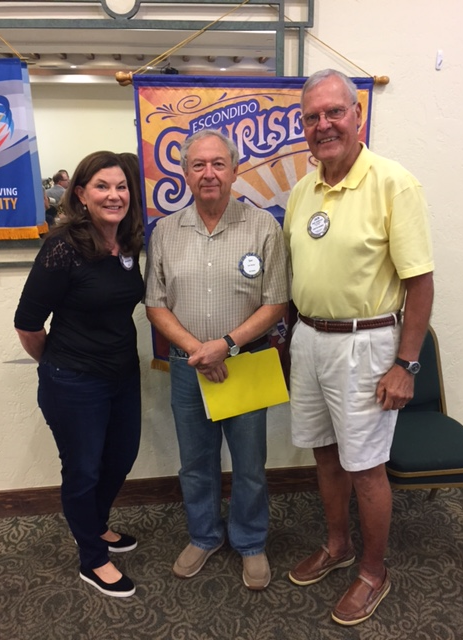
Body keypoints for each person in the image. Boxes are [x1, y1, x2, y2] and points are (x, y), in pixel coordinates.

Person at [283, 69, 434, 625]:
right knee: (324, 452)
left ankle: (373, 571)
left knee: (366, 466)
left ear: (357, 114)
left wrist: (406, 364)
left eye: (334, 112)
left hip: (366, 344)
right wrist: (293, 342)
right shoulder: (302, 191)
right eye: (312, 117)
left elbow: (420, 283)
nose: (323, 125)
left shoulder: (394, 183)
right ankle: (337, 544)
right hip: (309, 339)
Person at [144, 129, 289, 590]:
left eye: (218, 164)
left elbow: (276, 302)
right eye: (198, 165)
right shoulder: (165, 231)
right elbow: (155, 305)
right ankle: (204, 536)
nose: (209, 173)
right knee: (195, 462)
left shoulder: (263, 226)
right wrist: (198, 350)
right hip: (188, 369)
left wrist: (224, 344)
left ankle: (250, 541)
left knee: (249, 464)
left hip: (245, 362)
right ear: (185, 174)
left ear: (235, 170)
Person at [14, 151, 144, 598]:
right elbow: (27, 324)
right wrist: (58, 365)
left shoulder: (127, 243)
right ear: (81, 194)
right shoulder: (63, 247)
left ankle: (94, 524)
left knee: (121, 457)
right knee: (83, 470)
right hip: (74, 381)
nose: (114, 195)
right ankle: (92, 557)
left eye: (121, 186)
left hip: (123, 376)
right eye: (102, 186)